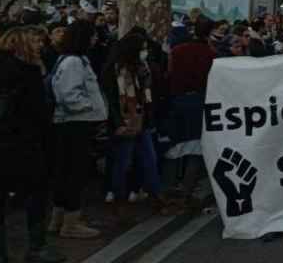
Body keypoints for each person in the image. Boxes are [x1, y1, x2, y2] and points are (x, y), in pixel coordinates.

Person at [0, 27, 66, 262]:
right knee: (36, 194)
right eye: (35, 41)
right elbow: (38, 112)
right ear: (21, 43)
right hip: (26, 143)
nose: (40, 46)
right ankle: (36, 248)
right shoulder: (29, 71)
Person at [50, 20, 108, 239]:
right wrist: (89, 107)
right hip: (75, 124)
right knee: (74, 174)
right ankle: (70, 223)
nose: (95, 39)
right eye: (92, 35)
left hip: (75, 123)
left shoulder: (76, 60)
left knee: (67, 173)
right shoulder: (74, 62)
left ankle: (60, 219)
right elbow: (68, 94)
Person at [103, 33, 164, 212]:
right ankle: (118, 193)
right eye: (142, 49)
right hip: (124, 121)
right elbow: (113, 100)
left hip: (141, 119)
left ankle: (155, 193)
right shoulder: (114, 70)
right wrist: (119, 121)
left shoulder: (142, 68)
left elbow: (147, 94)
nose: (145, 52)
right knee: (123, 160)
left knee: (149, 158)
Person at [166, 17, 216, 209]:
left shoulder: (177, 51)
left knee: (175, 146)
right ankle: (186, 190)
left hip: (177, 101)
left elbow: (169, 75)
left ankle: (169, 187)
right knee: (195, 148)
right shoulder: (211, 55)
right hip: (199, 103)